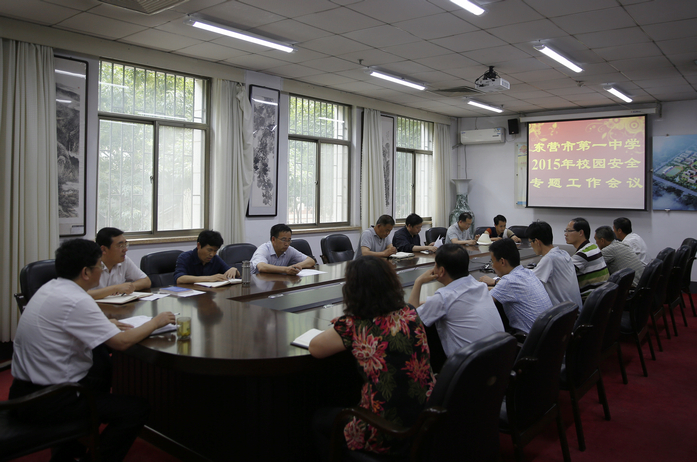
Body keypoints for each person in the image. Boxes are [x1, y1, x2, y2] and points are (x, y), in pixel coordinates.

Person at [10, 239, 176, 462]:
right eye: (99, 265)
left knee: (101, 367)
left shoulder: (50, 288)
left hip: (22, 391)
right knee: (136, 409)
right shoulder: (77, 299)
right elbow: (122, 342)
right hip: (50, 400)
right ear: (86, 272)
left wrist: (106, 325)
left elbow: (68, 324)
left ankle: (69, 451)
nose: (102, 270)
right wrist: (156, 322)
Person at [309, 256, 435, 456]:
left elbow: (315, 348)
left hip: (384, 431)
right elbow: (409, 307)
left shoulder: (353, 326)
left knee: (319, 418)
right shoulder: (410, 314)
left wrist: (343, 322)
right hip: (425, 420)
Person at [408, 244, 504, 357]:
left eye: (435, 265)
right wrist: (428, 303)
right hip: (500, 360)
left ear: (441, 271)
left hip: (468, 365)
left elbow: (409, 321)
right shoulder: (480, 286)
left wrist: (418, 281)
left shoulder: (444, 298)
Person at [479, 239, 552, 334]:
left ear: (502, 262)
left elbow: (483, 301)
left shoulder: (508, 281)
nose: (492, 266)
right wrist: (487, 287)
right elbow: (508, 291)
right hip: (548, 335)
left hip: (529, 339)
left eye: (492, 261)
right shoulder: (528, 273)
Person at [527, 221, 583, 309]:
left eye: (530, 242)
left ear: (537, 241)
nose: (531, 245)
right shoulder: (563, 253)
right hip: (574, 311)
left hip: (564, 313)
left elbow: (529, 283)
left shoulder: (549, 259)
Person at [88, 227, 151, 300]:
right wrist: (115, 288)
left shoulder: (124, 260)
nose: (125, 249)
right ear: (103, 249)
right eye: (120, 246)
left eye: (125, 245)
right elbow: (83, 293)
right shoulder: (90, 264)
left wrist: (129, 287)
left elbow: (146, 281)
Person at [565, 217, 610, 299]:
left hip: (589, 300)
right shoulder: (593, 247)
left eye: (569, 231)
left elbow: (562, 275)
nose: (565, 234)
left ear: (581, 233)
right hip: (601, 297)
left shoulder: (583, 254)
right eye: (565, 231)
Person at [174, 230, 240, 284]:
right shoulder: (185, 257)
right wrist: (209, 278)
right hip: (189, 294)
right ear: (199, 245)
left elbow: (230, 271)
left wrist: (234, 269)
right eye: (209, 250)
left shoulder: (215, 259)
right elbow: (179, 279)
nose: (212, 254)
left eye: (215, 251)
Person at [250, 223, 316, 274]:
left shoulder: (289, 249)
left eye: (289, 240)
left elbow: (311, 261)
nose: (287, 244)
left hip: (276, 282)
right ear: (273, 239)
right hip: (256, 284)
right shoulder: (263, 249)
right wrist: (286, 269)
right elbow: (261, 267)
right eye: (283, 240)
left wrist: (297, 266)